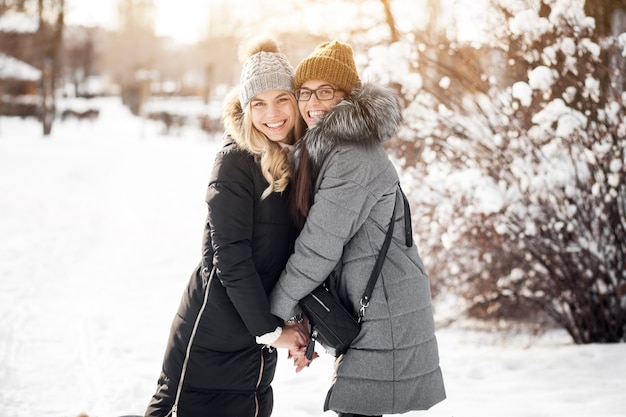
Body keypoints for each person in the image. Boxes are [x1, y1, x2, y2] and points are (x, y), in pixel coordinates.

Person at [269, 40, 446, 417]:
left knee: (359, 408)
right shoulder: (327, 148)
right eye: (304, 92)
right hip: (373, 301)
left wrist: (277, 311)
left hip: (386, 308)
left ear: (347, 95)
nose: (312, 102)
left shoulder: (352, 155)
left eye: (325, 91)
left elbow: (319, 246)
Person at [145, 36, 309, 417]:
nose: (272, 113)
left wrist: (296, 326)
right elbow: (230, 258)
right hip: (212, 339)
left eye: (282, 99)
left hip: (254, 344)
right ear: (246, 108)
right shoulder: (235, 162)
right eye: (259, 104)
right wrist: (272, 332)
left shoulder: (297, 163)